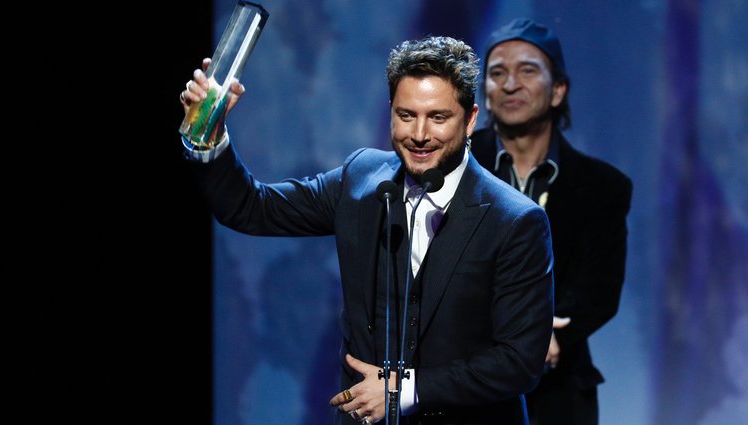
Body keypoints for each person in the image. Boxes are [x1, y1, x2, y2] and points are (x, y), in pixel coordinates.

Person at [180, 36, 554, 425]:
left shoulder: (514, 221)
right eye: (406, 115)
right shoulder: (361, 179)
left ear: (471, 119)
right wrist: (208, 133)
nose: (420, 134)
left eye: (438, 117)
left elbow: (519, 362)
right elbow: (252, 209)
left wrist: (406, 390)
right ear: (390, 112)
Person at [470, 19, 633, 425]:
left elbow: (600, 288)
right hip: (460, 377)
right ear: (485, 95)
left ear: (558, 89)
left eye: (527, 71)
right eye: (497, 73)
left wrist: (548, 331)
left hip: (557, 382)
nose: (510, 85)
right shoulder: (454, 168)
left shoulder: (602, 186)